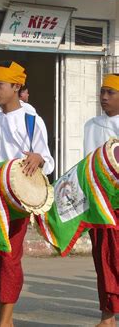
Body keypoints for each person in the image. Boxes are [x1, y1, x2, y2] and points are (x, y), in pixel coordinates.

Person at [0, 61, 54, 327]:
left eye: (0, 85)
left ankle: (5, 321)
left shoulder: (32, 121)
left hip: (18, 202)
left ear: (16, 87)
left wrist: (39, 158)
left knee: (9, 258)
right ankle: (4, 318)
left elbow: (49, 162)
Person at [83, 73, 119, 327]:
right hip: (99, 203)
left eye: (110, 92)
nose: (104, 97)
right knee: (103, 259)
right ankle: (107, 316)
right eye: (102, 92)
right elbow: (86, 163)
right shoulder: (91, 125)